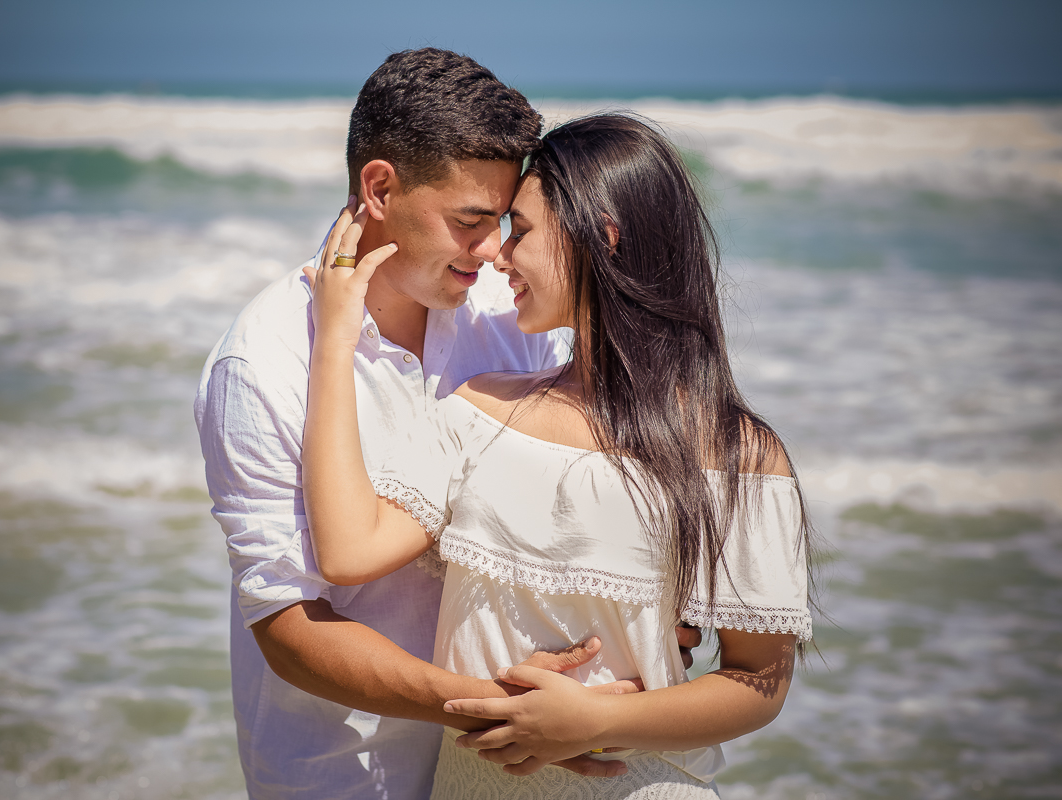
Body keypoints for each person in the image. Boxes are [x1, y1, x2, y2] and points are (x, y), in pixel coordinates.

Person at [195, 49, 701, 799]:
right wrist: (488, 708)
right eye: (470, 222)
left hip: (519, 771)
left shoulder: (512, 313)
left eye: (502, 222)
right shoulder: (262, 361)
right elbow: (290, 630)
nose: (494, 250)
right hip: (351, 775)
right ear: (379, 190)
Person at [302, 114, 814, 798]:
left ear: (600, 237)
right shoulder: (478, 411)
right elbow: (345, 552)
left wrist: (595, 719)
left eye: (521, 229)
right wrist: (337, 338)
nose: (498, 256)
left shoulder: (737, 454)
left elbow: (759, 683)